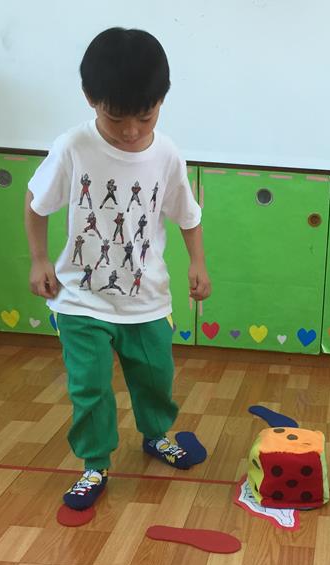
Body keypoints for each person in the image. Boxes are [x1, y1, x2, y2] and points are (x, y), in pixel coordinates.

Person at [24, 27, 211, 511]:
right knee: (89, 386)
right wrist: (40, 259)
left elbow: (187, 214)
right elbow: (37, 201)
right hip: (80, 298)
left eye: (144, 117)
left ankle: (156, 434)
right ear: (91, 99)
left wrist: (197, 262)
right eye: (116, 117)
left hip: (146, 299)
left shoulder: (166, 154)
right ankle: (94, 463)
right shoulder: (73, 147)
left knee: (155, 378)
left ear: (162, 100)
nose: (130, 131)